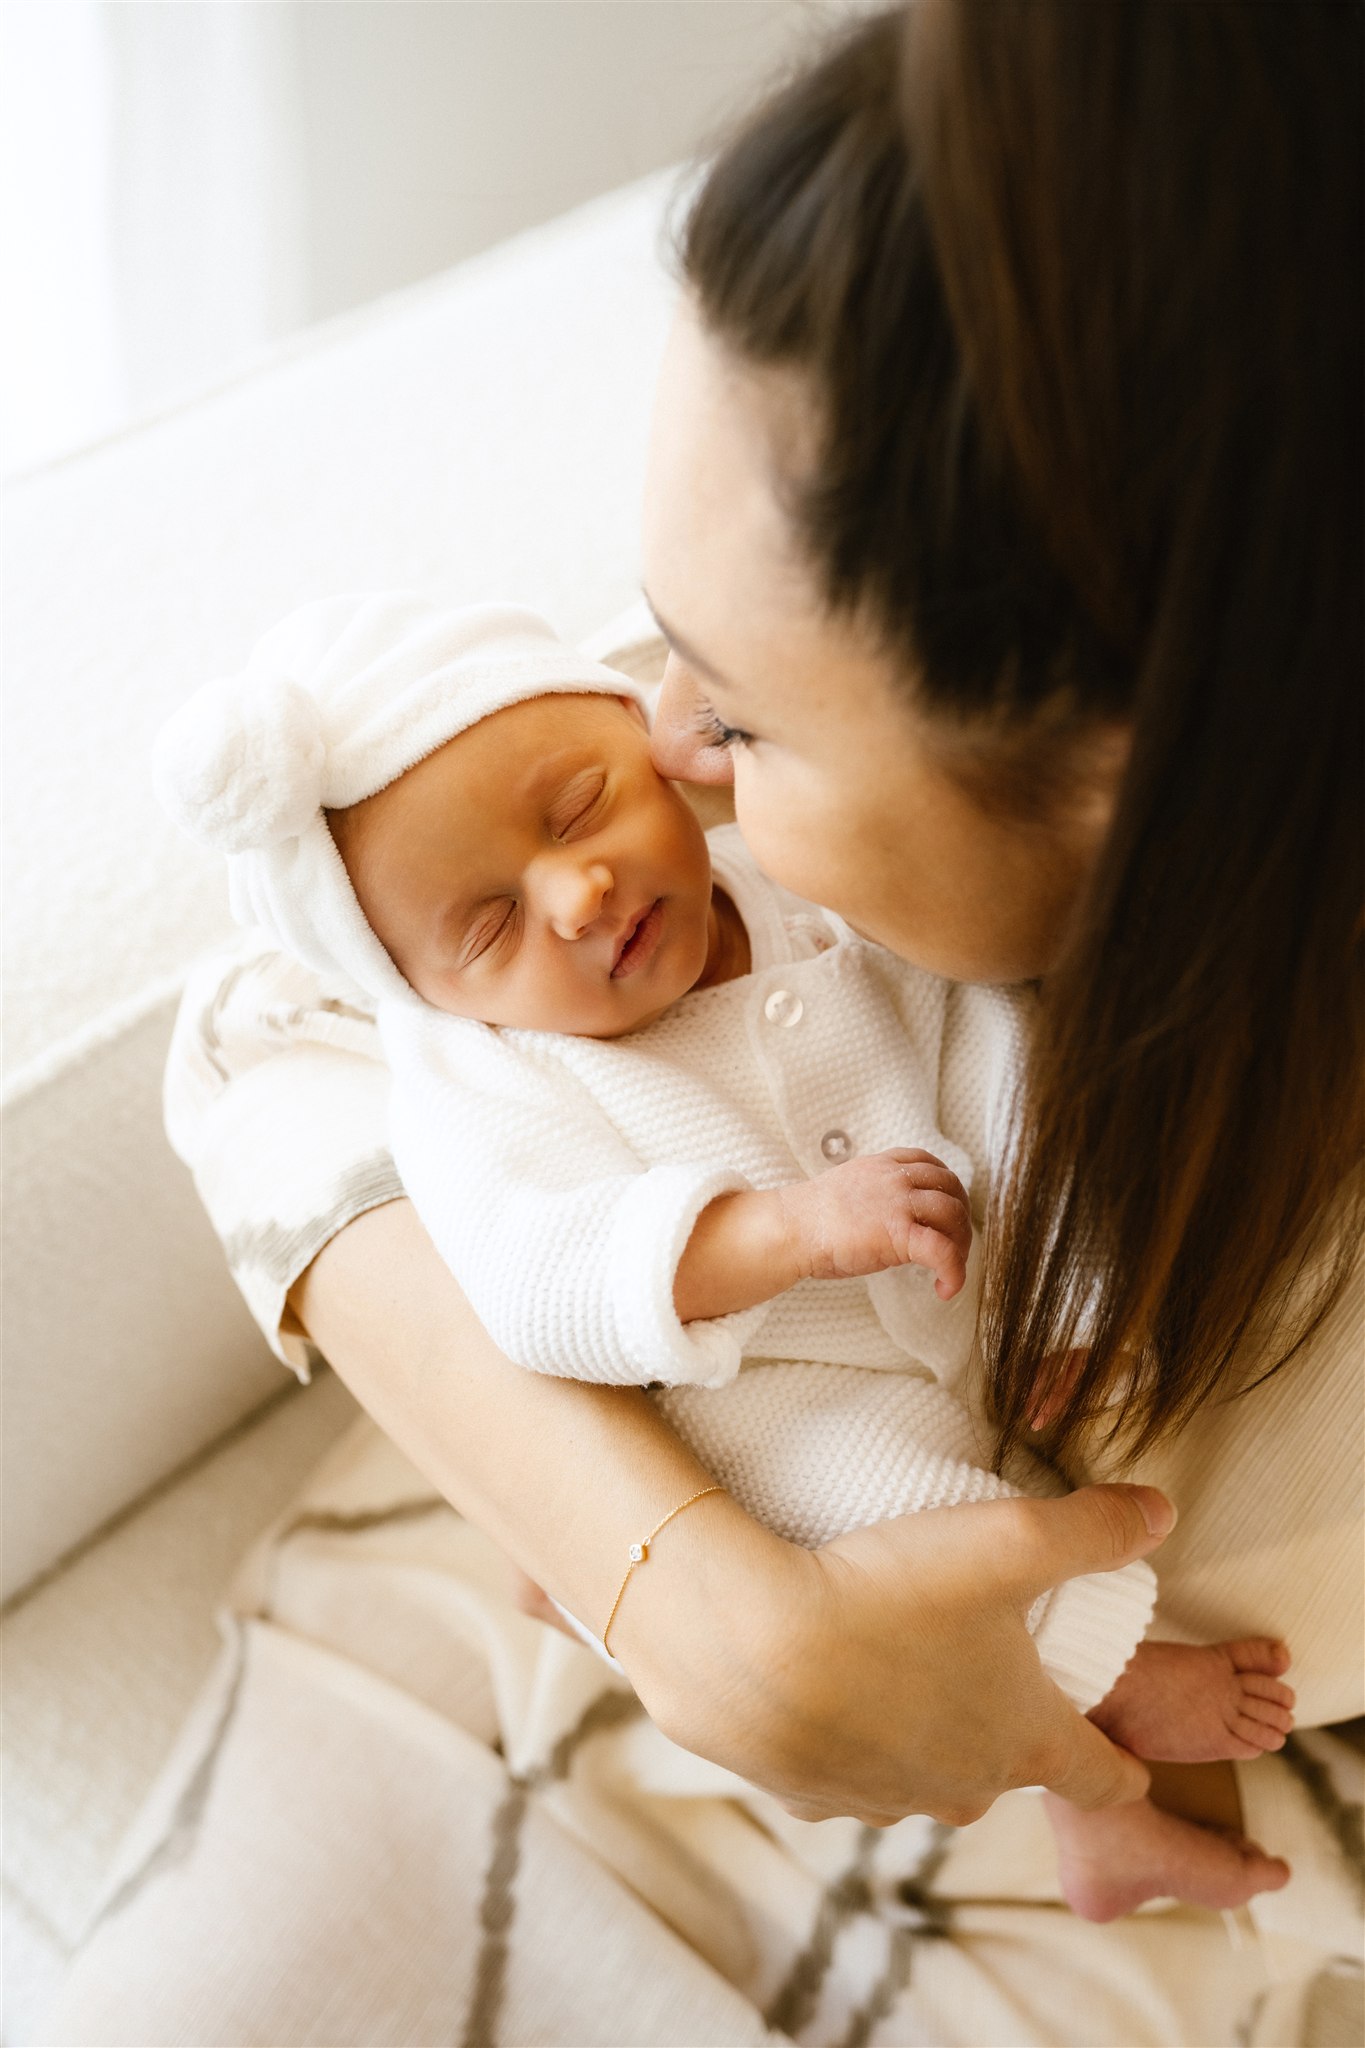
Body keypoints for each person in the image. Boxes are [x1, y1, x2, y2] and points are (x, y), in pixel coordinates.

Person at [40, 4, 1360, 2044]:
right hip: (531, 1662)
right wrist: (670, 1580)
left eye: (727, 717)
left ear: (1116, 783)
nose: (663, 749)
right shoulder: (790, 662)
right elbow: (272, 1031)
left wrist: (1095, 1754)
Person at [153, 585, 1301, 1924]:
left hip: (964, 1259)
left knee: (1055, 1118)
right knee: (886, 1511)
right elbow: (539, 1283)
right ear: (424, 997)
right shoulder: (477, 1086)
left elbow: (975, 1031)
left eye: (575, 806)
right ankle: (1109, 1697)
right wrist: (773, 1236)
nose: (574, 894)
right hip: (775, 1380)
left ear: (639, 728)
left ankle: (1102, 1833)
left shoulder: (786, 870)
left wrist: (1072, 1286)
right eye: (487, 929)